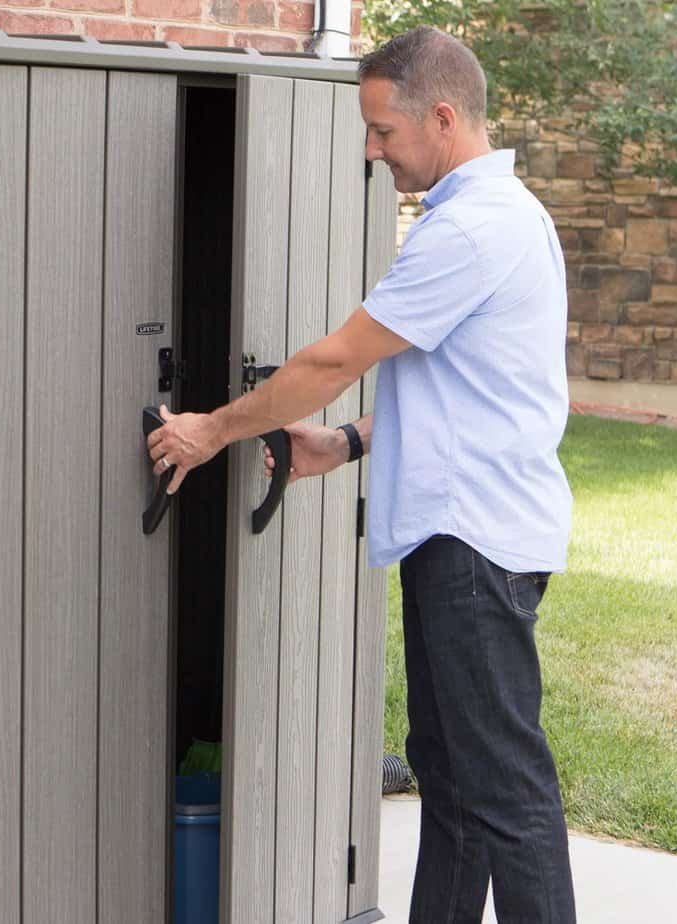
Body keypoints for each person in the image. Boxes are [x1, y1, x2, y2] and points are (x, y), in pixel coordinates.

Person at [146, 24, 577, 924]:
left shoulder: (470, 231)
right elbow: (470, 392)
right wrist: (344, 446)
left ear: (445, 117)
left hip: (474, 549)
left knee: (505, 792)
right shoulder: (506, 218)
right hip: (467, 537)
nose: (373, 151)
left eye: (385, 132)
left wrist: (211, 431)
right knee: (456, 785)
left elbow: (334, 360)